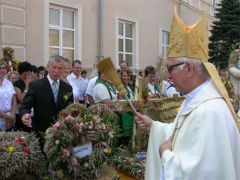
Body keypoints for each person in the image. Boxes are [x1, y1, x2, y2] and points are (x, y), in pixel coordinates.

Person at [135, 9, 240, 180]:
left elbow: (204, 174)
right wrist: (153, 126)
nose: (168, 76)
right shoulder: (196, 100)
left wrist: (165, 155)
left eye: (170, 69)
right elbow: (181, 133)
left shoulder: (209, 111)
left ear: (189, 68)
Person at [20, 55, 73, 133]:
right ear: (48, 67)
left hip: (62, 133)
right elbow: (25, 106)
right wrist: (25, 114)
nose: (56, 71)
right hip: (41, 132)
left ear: (63, 69)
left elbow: (70, 108)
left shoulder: (68, 88)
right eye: (54, 67)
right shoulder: (36, 85)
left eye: (60, 68)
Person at [0, 60, 17, 131]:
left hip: (10, 118)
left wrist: (12, 115)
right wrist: (7, 117)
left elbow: (14, 100)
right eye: (0, 68)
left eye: (3, 68)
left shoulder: (9, 83)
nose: (1, 70)